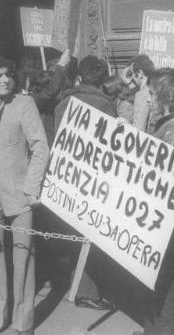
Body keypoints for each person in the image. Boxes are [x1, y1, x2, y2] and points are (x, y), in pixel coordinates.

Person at [0, 54, 49, 335]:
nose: (6, 80)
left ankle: (22, 323)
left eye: (8, 75)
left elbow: (41, 147)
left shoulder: (23, 104)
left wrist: (32, 186)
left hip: (20, 196)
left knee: (23, 257)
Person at [135, 69, 174, 335]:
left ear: (165, 96)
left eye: (151, 93)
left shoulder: (173, 130)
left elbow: (159, 178)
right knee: (157, 283)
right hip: (166, 218)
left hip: (165, 219)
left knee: (164, 285)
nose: (148, 99)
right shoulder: (172, 125)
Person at [54, 55, 117, 312]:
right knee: (90, 235)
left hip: (67, 177)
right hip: (94, 179)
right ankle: (86, 290)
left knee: (73, 232)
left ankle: (75, 282)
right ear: (102, 78)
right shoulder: (105, 104)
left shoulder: (64, 102)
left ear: (80, 74)